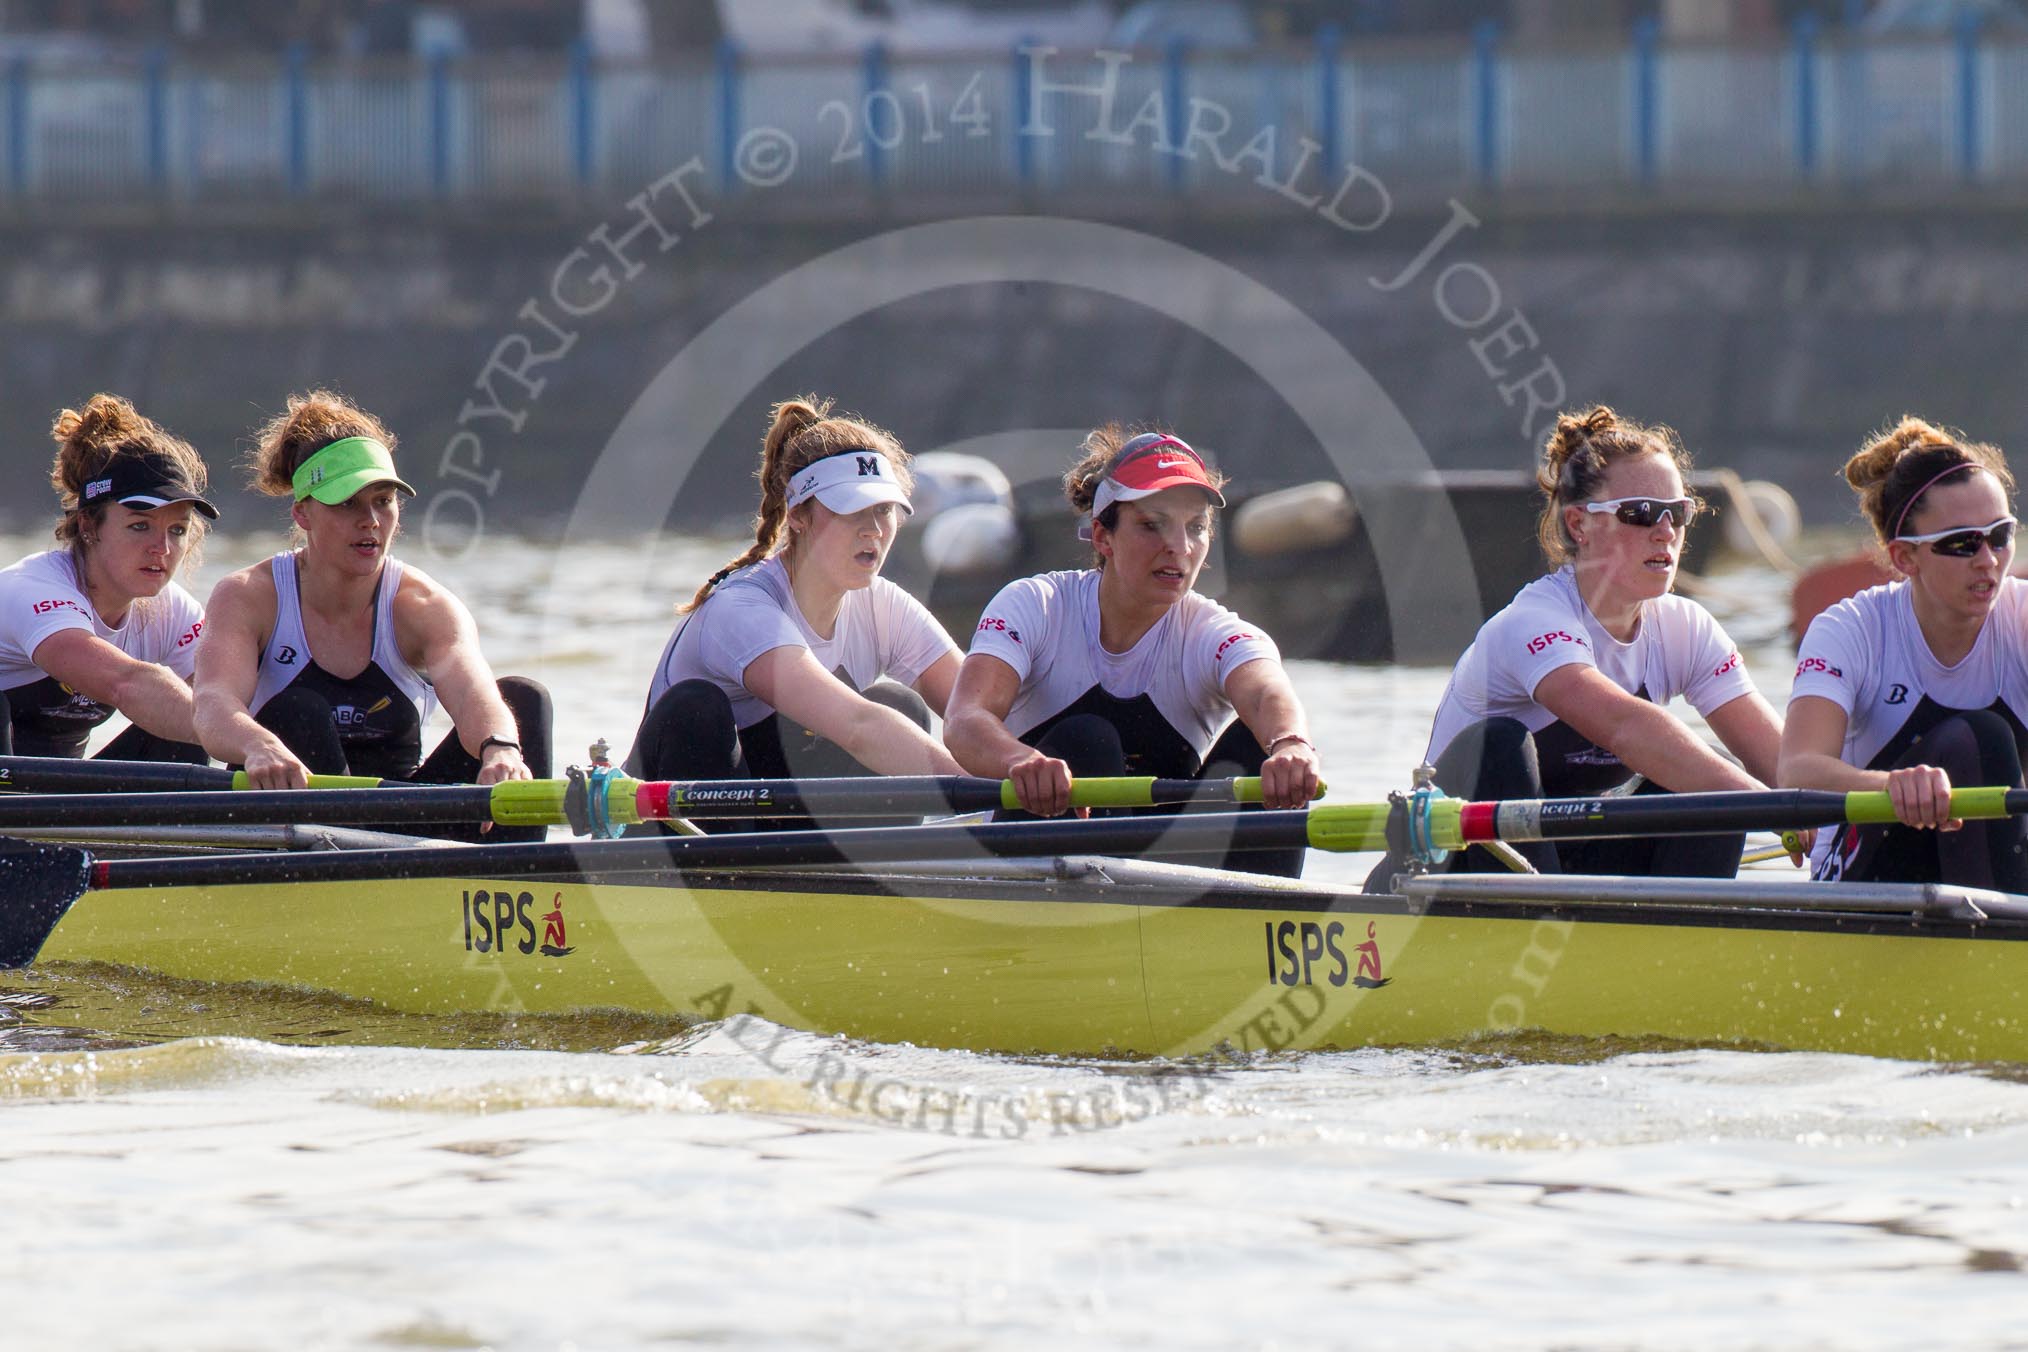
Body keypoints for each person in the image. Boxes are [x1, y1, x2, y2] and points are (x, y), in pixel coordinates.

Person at [1378, 404, 1797, 885]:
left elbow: (1785, 765)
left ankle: (1675, 940)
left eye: (1678, 514)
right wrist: (1766, 808)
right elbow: (1625, 728)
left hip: (1566, 870)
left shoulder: (1688, 629)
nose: (1666, 532)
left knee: (1704, 780)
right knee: (1500, 745)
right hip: (1442, 874)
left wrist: (1828, 810)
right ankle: (1546, 922)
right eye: (1641, 514)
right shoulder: (1534, 620)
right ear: (1579, 525)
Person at [941, 426, 1322, 877]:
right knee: (1087, 738)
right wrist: (1019, 761)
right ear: (1103, 537)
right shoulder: (1035, 605)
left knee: (1259, 753)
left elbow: (1264, 692)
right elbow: (965, 720)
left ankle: (1253, 924)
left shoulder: (1211, 630)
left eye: (1195, 528)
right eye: (1151, 524)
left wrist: (1292, 745)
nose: (1179, 547)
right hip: (1030, 864)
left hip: (1164, 873)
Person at [193, 391, 549, 837]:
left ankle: (520, 889)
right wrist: (257, 744)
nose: (371, 521)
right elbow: (211, 705)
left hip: (399, 826)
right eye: (348, 504)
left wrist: (500, 750)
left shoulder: (423, 606)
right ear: (302, 513)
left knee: (523, 701)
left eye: (383, 501)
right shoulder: (248, 597)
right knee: (299, 711)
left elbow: (472, 689)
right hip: (292, 826)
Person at [626, 396, 965, 829]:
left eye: (884, 510)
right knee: (698, 708)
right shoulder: (743, 607)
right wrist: (985, 789)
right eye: (852, 510)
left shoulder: (885, 605)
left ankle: (863, 884)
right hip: (671, 834)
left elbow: (975, 710)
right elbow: (860, 726)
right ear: (799, 515)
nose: (874, 529)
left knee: (899, 705)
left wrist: (1031, 771)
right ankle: (723, 884)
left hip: (780, 822)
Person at [1778, 417, 2028, 890]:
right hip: (1866, 877)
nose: (1989, 560)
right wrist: (1891, 787)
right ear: (1904, 558)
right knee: (1980, 736)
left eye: (2000, 535)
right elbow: (1797, 769)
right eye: (1961, 543)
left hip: (1992, 868)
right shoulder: (1850, 629)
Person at [0, 394, 215, 763]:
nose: (161, 548)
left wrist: (262, 741)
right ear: (88, 525)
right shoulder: (31, 590)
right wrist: (242, 739)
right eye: (139, 526)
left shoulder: (172, 611)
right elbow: (127, 683)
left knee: (192, 725)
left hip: (57, 798)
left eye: (177, 531)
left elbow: (228, 701)